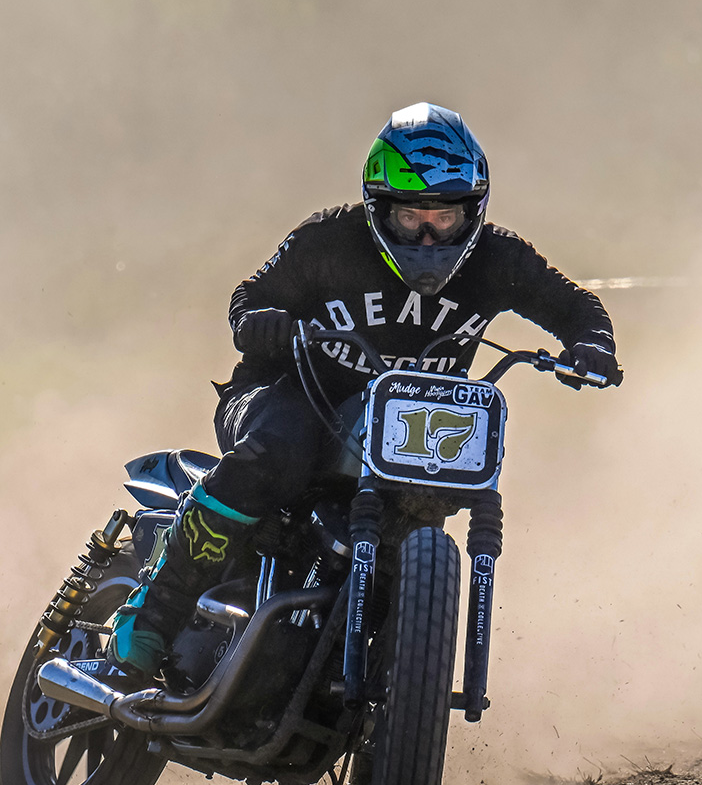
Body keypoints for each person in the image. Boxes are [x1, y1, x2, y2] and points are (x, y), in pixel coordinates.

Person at [110, 103, 621, 677]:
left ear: (473, 212)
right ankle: (152, 613)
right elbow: (250, 294)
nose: (428, 235)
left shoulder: (500, 258)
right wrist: (262, 320)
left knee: (429, 505)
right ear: (379, 208)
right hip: (288, 394)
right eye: (410, 218)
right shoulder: (329, 240)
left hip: (408, 430)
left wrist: (593, 346)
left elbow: (578, 307)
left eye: (445, 218)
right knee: (281, 448)